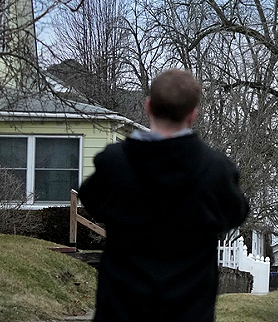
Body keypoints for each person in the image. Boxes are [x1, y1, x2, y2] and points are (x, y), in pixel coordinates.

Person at [78, 69, 250, 322]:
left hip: (121, 309)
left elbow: (91, 199)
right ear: (193, 113)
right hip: (189, 311)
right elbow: (235, 213)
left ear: (148, 106)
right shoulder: (216, 170)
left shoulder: (114, 164)